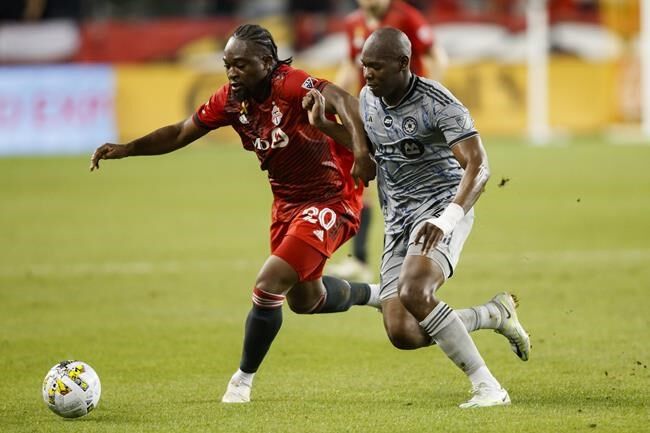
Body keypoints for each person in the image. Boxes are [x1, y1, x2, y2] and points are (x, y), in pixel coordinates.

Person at [90, 24, 380, 404]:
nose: (231, 72)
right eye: (228, 64)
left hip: (332, 199)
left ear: (266, 61)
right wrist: (129, 148)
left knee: (269, 282)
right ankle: (377, 294)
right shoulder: (231, 100)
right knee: (305, 301)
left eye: (240, 64)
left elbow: (345, 100)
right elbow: (180, 133)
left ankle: (241, 381)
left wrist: (360, 151)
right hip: (287, 206)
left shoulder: (290, 84)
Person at [353, 27, 531, 408]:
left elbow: (479, 165)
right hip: (398, 218)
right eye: (364, 65)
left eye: (377, 66)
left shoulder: (438, 103)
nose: (368, 74)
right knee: (403, 332)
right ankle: (492, 314)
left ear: (403, 63)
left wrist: (447, 219)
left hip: (440, 209)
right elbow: (376, 145)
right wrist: (329, 130)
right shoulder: (368, 97)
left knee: (416, 291)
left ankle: (489, 388)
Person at [329, 0, 449, 281]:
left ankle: (419, 255)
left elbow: (436, 57)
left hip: (409, 117)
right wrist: (335, 102)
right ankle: (359, 260)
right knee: (362, 182)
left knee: (408, 186)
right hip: (371, 115)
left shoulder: (406, 17)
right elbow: (349, 66)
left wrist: (433, 104)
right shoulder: (352, 24)